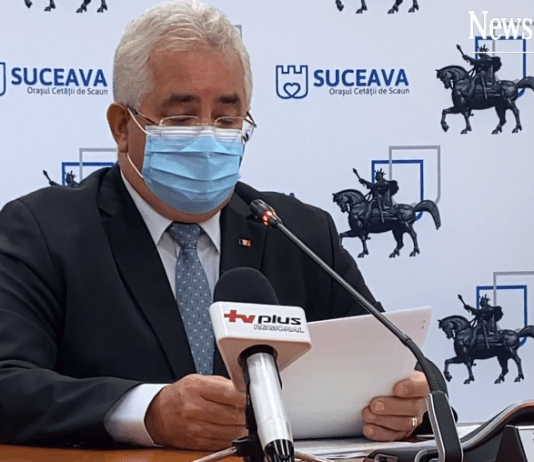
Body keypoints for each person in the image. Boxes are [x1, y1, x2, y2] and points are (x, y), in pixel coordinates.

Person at [0, 0, 437, 451]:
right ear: (122, 127)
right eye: (181, 118)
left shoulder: (300, 234)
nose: (208, 136)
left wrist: (408, 407)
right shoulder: (43, 233)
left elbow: (406, 373)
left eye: (227, 119)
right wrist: (148, 413)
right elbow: (7, 383)